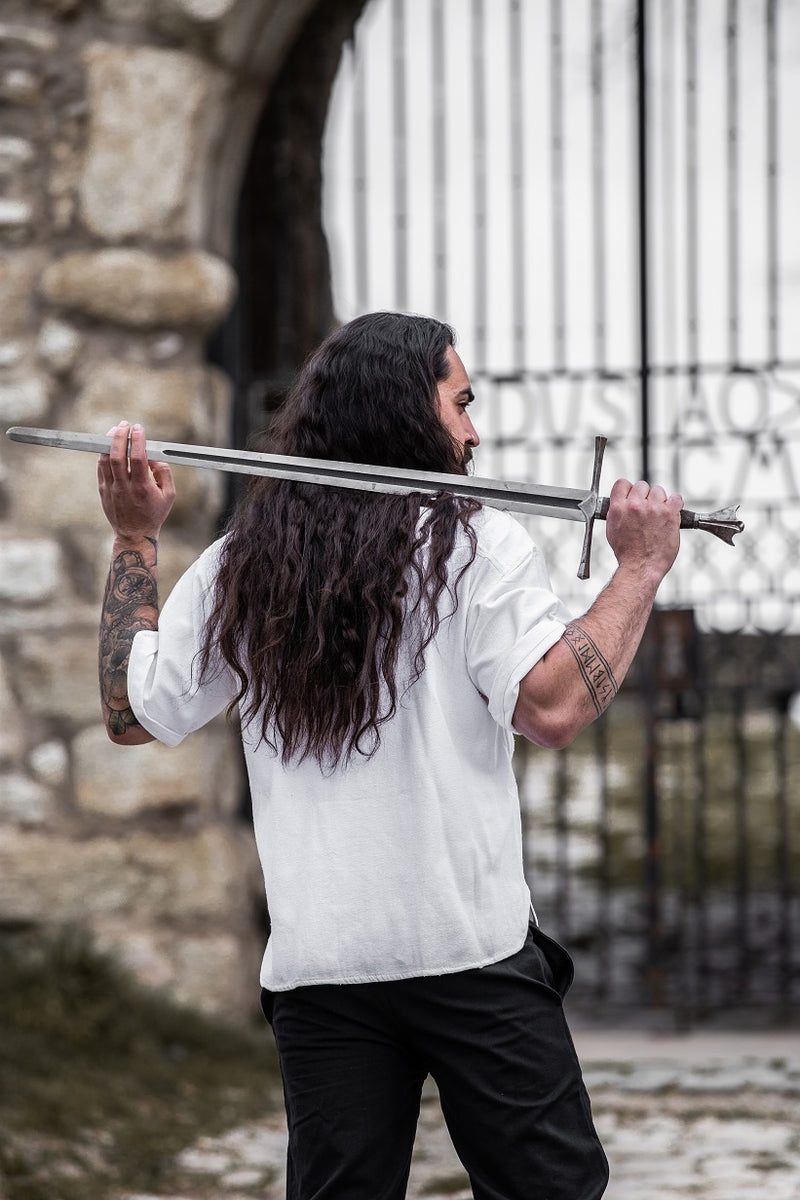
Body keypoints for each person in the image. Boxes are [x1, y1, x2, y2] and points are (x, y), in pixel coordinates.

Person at [97, 311, 683, 1200]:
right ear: (410, 414)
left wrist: (134, 537)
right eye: (462, 403)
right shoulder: (476, 545)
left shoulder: (240, 567)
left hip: (326, 969)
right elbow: (555, 706)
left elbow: (130, 710)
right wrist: (639, 569)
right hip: (467, 957)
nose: (475, 430)